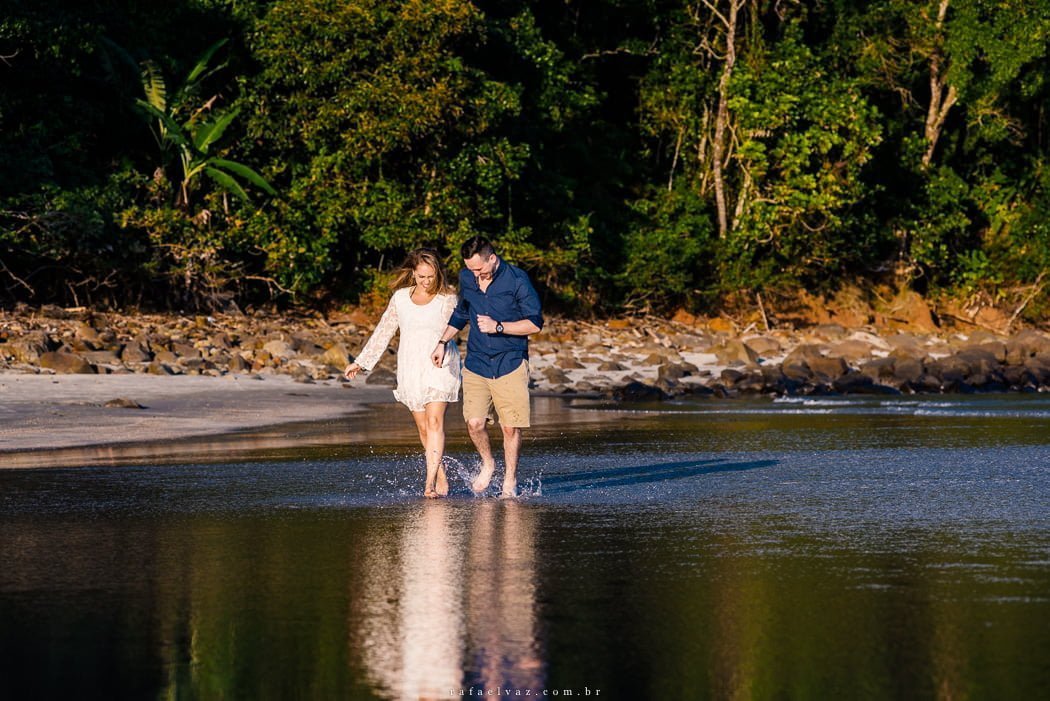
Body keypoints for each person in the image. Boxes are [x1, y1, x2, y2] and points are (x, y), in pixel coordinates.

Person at [431, 236, 543, 498]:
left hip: (510, 361)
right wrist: (442, 342)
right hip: (477, 362)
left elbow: (535, 324)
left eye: (479, 269)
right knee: (475, 423)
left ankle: (510, 479)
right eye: (470, 269)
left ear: (492, 258)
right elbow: (462, 312)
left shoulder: (517, 280)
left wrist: (499, 327)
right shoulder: (468, 277)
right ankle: (489, 463)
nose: (475, 274)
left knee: (509, 427)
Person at [345, 249, 461, 498]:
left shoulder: (447, 298)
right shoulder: (400, 298)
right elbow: (384, 330)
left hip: (440, 365)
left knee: (434, 422)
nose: (426, 281)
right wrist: (361, 362)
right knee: (423, 428)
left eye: (431, 276)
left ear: (438, 273)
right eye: (421, 276)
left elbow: (457, 326)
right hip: (411, 366)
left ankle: (429, 483)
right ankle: (440, 473)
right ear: (413, 273)